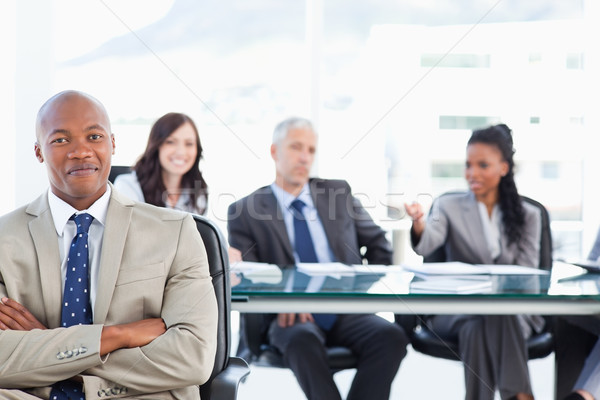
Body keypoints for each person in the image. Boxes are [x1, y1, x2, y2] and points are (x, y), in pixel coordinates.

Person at [0, 90, 218, 399]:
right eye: (61, 140)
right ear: (38, 152)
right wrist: (117, 335)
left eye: (94, 136)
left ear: (112, 144)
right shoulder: (3, 238)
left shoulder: (176, 232)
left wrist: (51, 348)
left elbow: (192, 357)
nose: (81, 151)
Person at [227, 117, 408, 400]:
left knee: (391, 337)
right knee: (301, 339)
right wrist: (282, 301)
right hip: (290, 316)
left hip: (345, 308)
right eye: (296, 147)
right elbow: (246, 275)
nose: (304, 157)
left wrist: (356, 294)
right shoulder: (245, 210)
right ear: (275, 152)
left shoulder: (338, 193)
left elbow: (379, 249)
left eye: (311, 150)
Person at [404, 124, 542, 400]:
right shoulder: (449, 206)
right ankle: (521, 396)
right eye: (468, 165)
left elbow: (527, 274)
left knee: (481, 325)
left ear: (503, 168)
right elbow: (427, 244)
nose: (472, 173)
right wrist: (419, 223)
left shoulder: (529, 215)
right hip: (457, 311)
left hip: (514, 312)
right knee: (481, 319)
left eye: (482, 165)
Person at [114, 112, 208, 215]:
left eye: (189, 144)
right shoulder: (128, 186)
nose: (181, 152)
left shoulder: (198, 191)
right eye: (171, 142)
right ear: (156, 146)